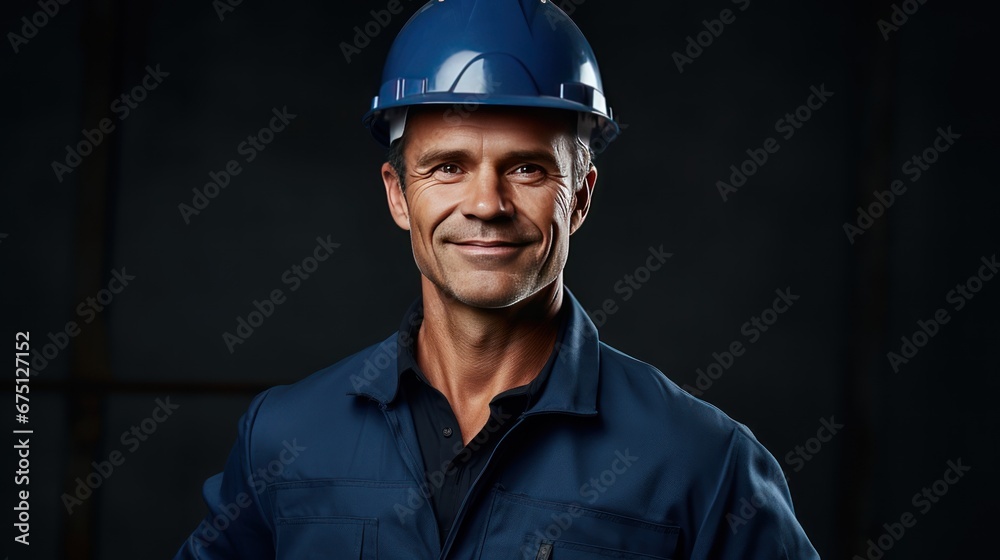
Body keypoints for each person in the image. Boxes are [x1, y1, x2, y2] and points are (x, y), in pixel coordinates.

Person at [174, 1, 821, 558]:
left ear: (580, 197)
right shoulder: (285, 441)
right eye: (449, 167)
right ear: (399, 194)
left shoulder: (698, 464)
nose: (486, 204)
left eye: (528, 170)